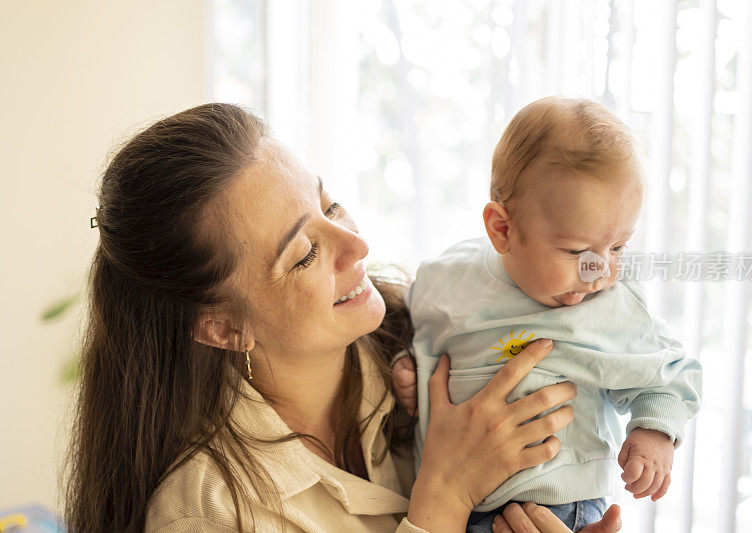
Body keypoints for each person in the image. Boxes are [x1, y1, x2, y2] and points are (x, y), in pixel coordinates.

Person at [63, 103, 621, 533]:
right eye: (303, 253)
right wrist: (444, 496)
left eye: (328, 206)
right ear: (224, 327)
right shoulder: (209, 512)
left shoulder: (424, 342)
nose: (356, 244)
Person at [402, 96, 702, 531]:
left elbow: (671, 373)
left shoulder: (613, 304)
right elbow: (411, 328)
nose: (600, 270)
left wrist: (654, 432)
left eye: (618, 247)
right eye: (577, 251)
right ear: (502, 229)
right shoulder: (445, 277)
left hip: (560, 508)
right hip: (447, 505)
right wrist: (404, 367)